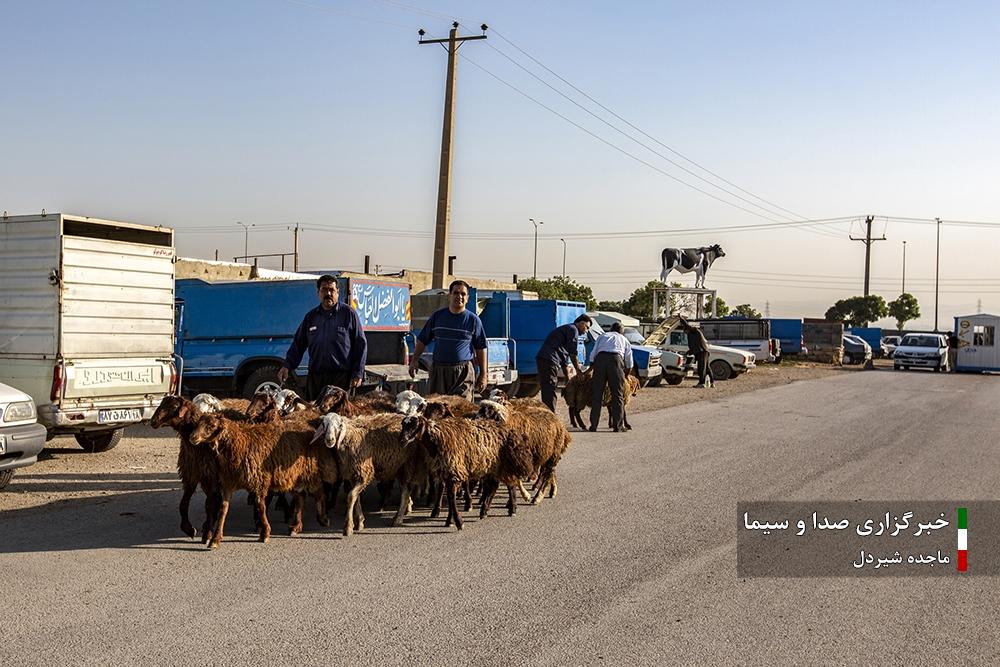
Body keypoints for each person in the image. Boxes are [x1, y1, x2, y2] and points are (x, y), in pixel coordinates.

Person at [278, 275, 367, 400]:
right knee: (313, 416)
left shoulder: (348, 314)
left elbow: (360, 344)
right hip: (316, 378)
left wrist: (358, 373)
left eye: (331, 290)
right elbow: (298, 344)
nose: (328, 293)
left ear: (337, 292)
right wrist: (287, 366)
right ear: (318, 292)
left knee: (338, 418)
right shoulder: (311, 317)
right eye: (324, 290)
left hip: (341, 379)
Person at [409, 280, 487, 401]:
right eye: (456, 293)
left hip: (463, 373)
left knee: (461, 409)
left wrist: (483, 375)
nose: (459, 296)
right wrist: (414, 361)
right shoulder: (437, 317)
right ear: (449, 296)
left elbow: (481, 348)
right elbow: (422, 340)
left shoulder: (473, 321)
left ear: (467, 298)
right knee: (437, 408)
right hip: (439, 371)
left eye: (463, 294)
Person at [535, 314, 592, 412]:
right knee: (550, 388)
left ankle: (548, 413)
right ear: (581, 323)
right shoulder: (573, 329)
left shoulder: (568, 329)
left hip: (547, 359)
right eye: (586, 327)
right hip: (548, 359)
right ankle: (550, 416)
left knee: (549, 387)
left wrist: (567, 377)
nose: (586, 331)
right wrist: (578, 371)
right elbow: (572, 353)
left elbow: (564, 358)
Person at [588, 322, 633, 432]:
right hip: (615, 361)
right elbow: (629, 361)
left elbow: (593, 355)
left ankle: (593, 425)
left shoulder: (602, 336)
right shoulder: (624, 339)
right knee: (617, 395)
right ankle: (618, 426)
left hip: (600, 360)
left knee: (597, 394)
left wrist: (592, 367)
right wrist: (625, 376)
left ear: (611, 329)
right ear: (621, 331)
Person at [679, 316, 711, 388]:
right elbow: (694, 346)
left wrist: (681, 319)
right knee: (707, 368)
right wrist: (689, 352)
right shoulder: (692, 335)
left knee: (701, 368)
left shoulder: (694, 331)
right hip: (703, 351)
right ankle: (711, 382)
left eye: (685, 331)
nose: (685, 332)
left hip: (702, 351)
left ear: (688, 329)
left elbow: (686, 324)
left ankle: (702, 383)